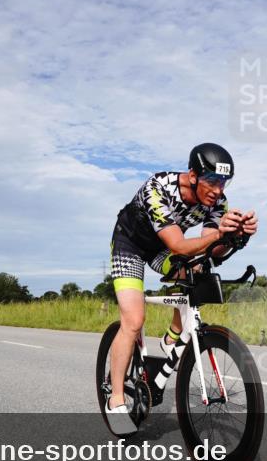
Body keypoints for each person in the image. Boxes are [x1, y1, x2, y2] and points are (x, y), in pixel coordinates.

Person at [106, 143, 258, 433]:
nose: (217, 189)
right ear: (192, 175)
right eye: (212, 180)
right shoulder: (158, 188)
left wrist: (237, 237)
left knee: (199, 267)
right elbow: (178, 244)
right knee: (134, 320)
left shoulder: (218, 202)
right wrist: (220, 237)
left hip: (162, 249)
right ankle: (115, 400)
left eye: (223, 182)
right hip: (131, 246)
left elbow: (212, 250)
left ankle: (174, 334)